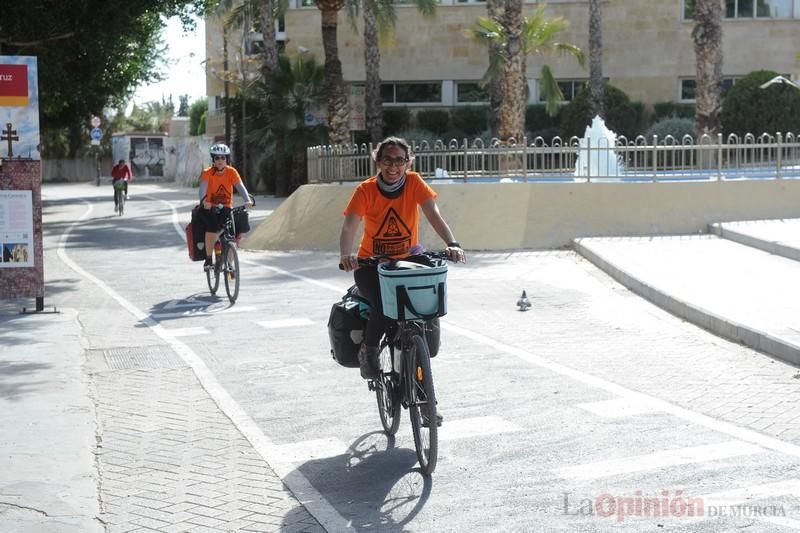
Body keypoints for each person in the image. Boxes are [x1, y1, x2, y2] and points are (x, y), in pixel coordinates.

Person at [339, 136, 465, 380]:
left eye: (400, 160)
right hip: (372, 265)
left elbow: (434, 215)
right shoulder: (365, 190)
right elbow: (349, 227)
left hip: (408, 262)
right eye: (387, 160)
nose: (393, 166)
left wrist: (452, 243)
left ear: (408, 163)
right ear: (378, 162)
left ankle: (423, 391)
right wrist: (347, 255)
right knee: (382, 305)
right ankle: (370, 350)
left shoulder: (415, 183)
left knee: (424, 305)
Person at [197, 143, 253, 271]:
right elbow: (202, 189)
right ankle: (208, 259)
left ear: (226, 159)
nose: (220, 160)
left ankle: (230, 263)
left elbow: (240, 187)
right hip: (210, 208)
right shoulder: (208, 173)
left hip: (227, 208)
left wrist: (247, 200)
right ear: (213, 160)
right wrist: (204, 201)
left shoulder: (231, 172)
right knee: (211, 229)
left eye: (223, 158)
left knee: (234, 234)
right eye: (217, 158)